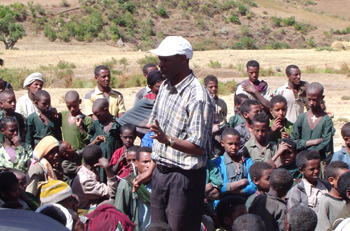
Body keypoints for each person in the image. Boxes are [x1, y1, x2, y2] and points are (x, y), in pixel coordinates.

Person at [133, 36, 214, 231]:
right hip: (161, 173)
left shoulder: (198, 96)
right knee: (158, 228)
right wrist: (151, 169)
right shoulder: (165, 88)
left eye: (165, 60)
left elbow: (198, 148)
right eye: (160, 60)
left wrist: (167, 139)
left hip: (184, 179)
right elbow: (156, 133)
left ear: (183, 59)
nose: (160, 65)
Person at [291, 82, 334, 170]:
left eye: (314, 100)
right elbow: (293, 140)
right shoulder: (301, 118)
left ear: (321, 98)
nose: (311, 103)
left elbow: (326, 143)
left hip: (318, 165)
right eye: (309, 99)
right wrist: (313, 142)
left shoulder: (326, 120)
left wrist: (309, 151)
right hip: (301, 164)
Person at [212, 128, 255, 208]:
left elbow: (253, 186)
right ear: (222, 143)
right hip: (221, 207)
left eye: (237, 144)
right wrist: (241, 182)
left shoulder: (247, 162)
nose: (234, 147)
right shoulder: (217, 163)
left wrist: (233, 190)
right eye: (230, 144)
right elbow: (215, 189)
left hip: (243, 206)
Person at [115, 147, 153, 231]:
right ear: (136, 163)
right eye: (145, 162)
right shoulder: (126, 184)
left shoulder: (159, 184)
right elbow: (118, 214)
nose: (148, 166)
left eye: (151, 162)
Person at [119, 70, 165, 136]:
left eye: (165, 86)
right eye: (159, 87)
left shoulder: (170, 100)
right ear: (150, 87)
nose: (163, 89)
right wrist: (143, 134)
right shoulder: (146, 102)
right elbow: (123, 120)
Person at [71, 145, 118, 210]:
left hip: (92, 201)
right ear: (99, 160)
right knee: (114, 201)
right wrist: (107, 168)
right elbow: (112, 192)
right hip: (85, 210)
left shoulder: (90, 170)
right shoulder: (85, 180)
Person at [88, 98, 122, 181]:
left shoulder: (117, 124)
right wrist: (95, 140)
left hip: (113, 160)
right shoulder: (96, 124)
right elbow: (90, 136)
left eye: (98, 115)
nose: (96, 117)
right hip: (100, 161)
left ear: (106, 110)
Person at [316, 161, 349, 231]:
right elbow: (322, 227)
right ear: (331, 180)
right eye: (343, 178)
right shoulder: (326, 201)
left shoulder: (347, 200)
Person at [205, 75, 228, 157]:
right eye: (211, 87)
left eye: (215, 86)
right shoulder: (203, 102)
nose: (213, 89)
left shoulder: (222, 103)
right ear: (205, 87)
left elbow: (224, 115)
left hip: (221, 131)